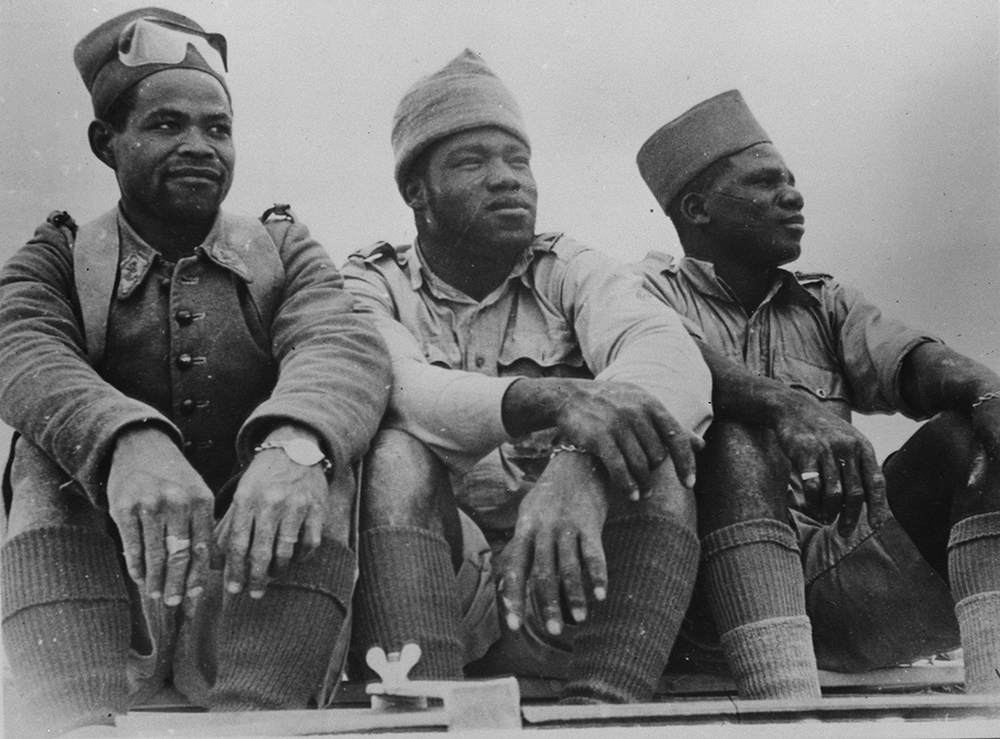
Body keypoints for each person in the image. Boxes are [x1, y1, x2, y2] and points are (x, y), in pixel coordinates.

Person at [0, 8, 390, 733]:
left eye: (218, 128)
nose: (199, 146)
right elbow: (19, 343)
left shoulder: (280, 246)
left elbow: (340, 342)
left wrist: (296, 444)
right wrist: (124, 440)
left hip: (253, 574)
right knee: (37, 455)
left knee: (324, 457)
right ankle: (72, 720)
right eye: (166, 125)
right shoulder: (60, 255)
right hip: (118, 593)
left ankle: (262, 715)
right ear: (105, 143)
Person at [342, 49, 712, 704]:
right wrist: (555, 398)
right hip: (439, 588)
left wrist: (578, 468)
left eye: (518, 160)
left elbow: (666, 348)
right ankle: (421, 714)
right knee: (396, 454)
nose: (507, 179)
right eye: (472, 161)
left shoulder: (568, 266)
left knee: (646, 435)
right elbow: (400, 385)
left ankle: (604, 710)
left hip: (565, 585)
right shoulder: (373, 282)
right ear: (416, 192)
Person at [634, 89, 1000, 700]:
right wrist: (785, 403)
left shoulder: (826, 302)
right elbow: (670, 360)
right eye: (764, 182)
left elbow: (913, 362)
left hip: (844, 578)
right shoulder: (641, 293)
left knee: (975, 434)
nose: (794, 196)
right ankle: (785, 704)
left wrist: (989, 393)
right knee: (737, 434)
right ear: (698, 208)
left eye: (792, 180)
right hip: (713, 603)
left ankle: (995, 697)